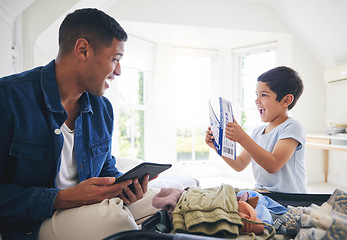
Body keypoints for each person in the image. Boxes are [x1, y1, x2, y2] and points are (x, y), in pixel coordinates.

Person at [0, 8, 160, 240]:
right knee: (115, 219)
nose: (118, 71)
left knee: (164, 200)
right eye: (114, 59)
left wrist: (125, 188)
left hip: (87, 210)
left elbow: (105, 169)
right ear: (82, 50)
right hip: (33, 223)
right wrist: (64, 198)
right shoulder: (8, 98)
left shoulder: (102, 109)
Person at [206, 66, 307, 193]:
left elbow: (273, 165)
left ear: (286, 100)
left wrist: (242, 138)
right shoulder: (257, 132)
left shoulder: (292, 127)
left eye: (264, 95)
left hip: (289, 198)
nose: (257, 100)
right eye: (256, 95)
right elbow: (240, 164)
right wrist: (216, 146)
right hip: (263, 193)